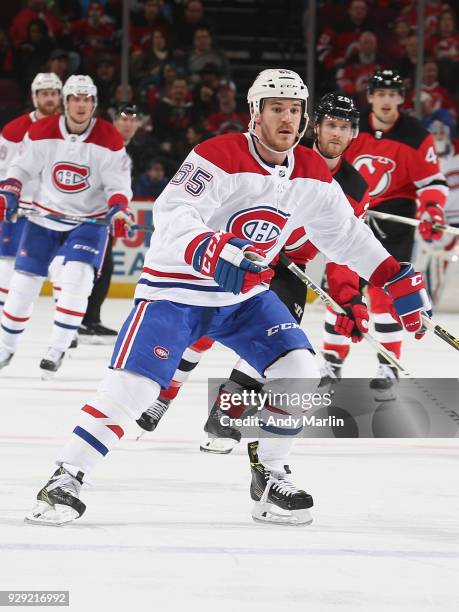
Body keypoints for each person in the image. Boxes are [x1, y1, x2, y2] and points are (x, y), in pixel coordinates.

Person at [23, 69, 430, 528]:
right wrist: (210, 245)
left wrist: (391, 276)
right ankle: (68, 475)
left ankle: (271, 474)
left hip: (243, 296)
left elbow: (345, 236)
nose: (287, 119)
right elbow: (173, 211)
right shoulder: (217, 153)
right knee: (135, 388)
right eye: (276, 108)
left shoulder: (312, 171)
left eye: (295, 110)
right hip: (177, 289)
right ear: (254, 113)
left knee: (299, 370)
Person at [136, 92, 372, 454]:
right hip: (243, 252)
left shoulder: (355, 186)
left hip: (290, 266)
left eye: (345, 127)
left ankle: (224, 413)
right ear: (316, 127)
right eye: (331, 125)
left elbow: (344, 247)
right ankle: (165, 395)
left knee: (273, 342)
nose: (337, 134)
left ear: (354, 133)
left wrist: (349, 296)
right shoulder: (287, 158)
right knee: (204, 329)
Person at [0, 75, 132, 377]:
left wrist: (119, 210)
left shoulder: (109, 137)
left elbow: (118, 185)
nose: (81, 104)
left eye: (87, 99)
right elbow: (20, 167)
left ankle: (57, 349)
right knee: (21, 287)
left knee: (76, 282)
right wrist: (10, 189)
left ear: (94, 103)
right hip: (42, 219)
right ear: (66, 102)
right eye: (76, 98)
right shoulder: (42, 131)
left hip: (89, 224)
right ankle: (6, 348)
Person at [341, 68, 448, 391]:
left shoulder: (416, 135)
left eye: (393, 94)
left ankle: (388, 365)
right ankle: (331, 363)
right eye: (380, 94)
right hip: (349, 214)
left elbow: (432, 181)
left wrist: (431, 209)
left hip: (394, 219)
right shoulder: (350, 126)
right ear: (370, 96)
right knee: (342, 288)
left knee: (386, 293)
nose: (386, 101)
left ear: (402, 98)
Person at [0, 72, 62, 313]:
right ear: (35, 97)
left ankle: (67, 324)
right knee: (6, 263)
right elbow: (3, 170)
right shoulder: (14, 130)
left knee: (61, 266)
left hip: (56, 211)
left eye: (53, 94)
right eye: (44, 94)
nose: (49, 98)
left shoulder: (69, 129)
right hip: (20, 210)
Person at [79, 103, 141, 343]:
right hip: (90, 214)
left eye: (132, 119)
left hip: (107, 215)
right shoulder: (103, 144)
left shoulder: (130, 150)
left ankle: (89, 319)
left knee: (104, 268)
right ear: (114, 121)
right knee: (94, 268)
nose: (128, 123)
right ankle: (81, 320)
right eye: (123, 118)